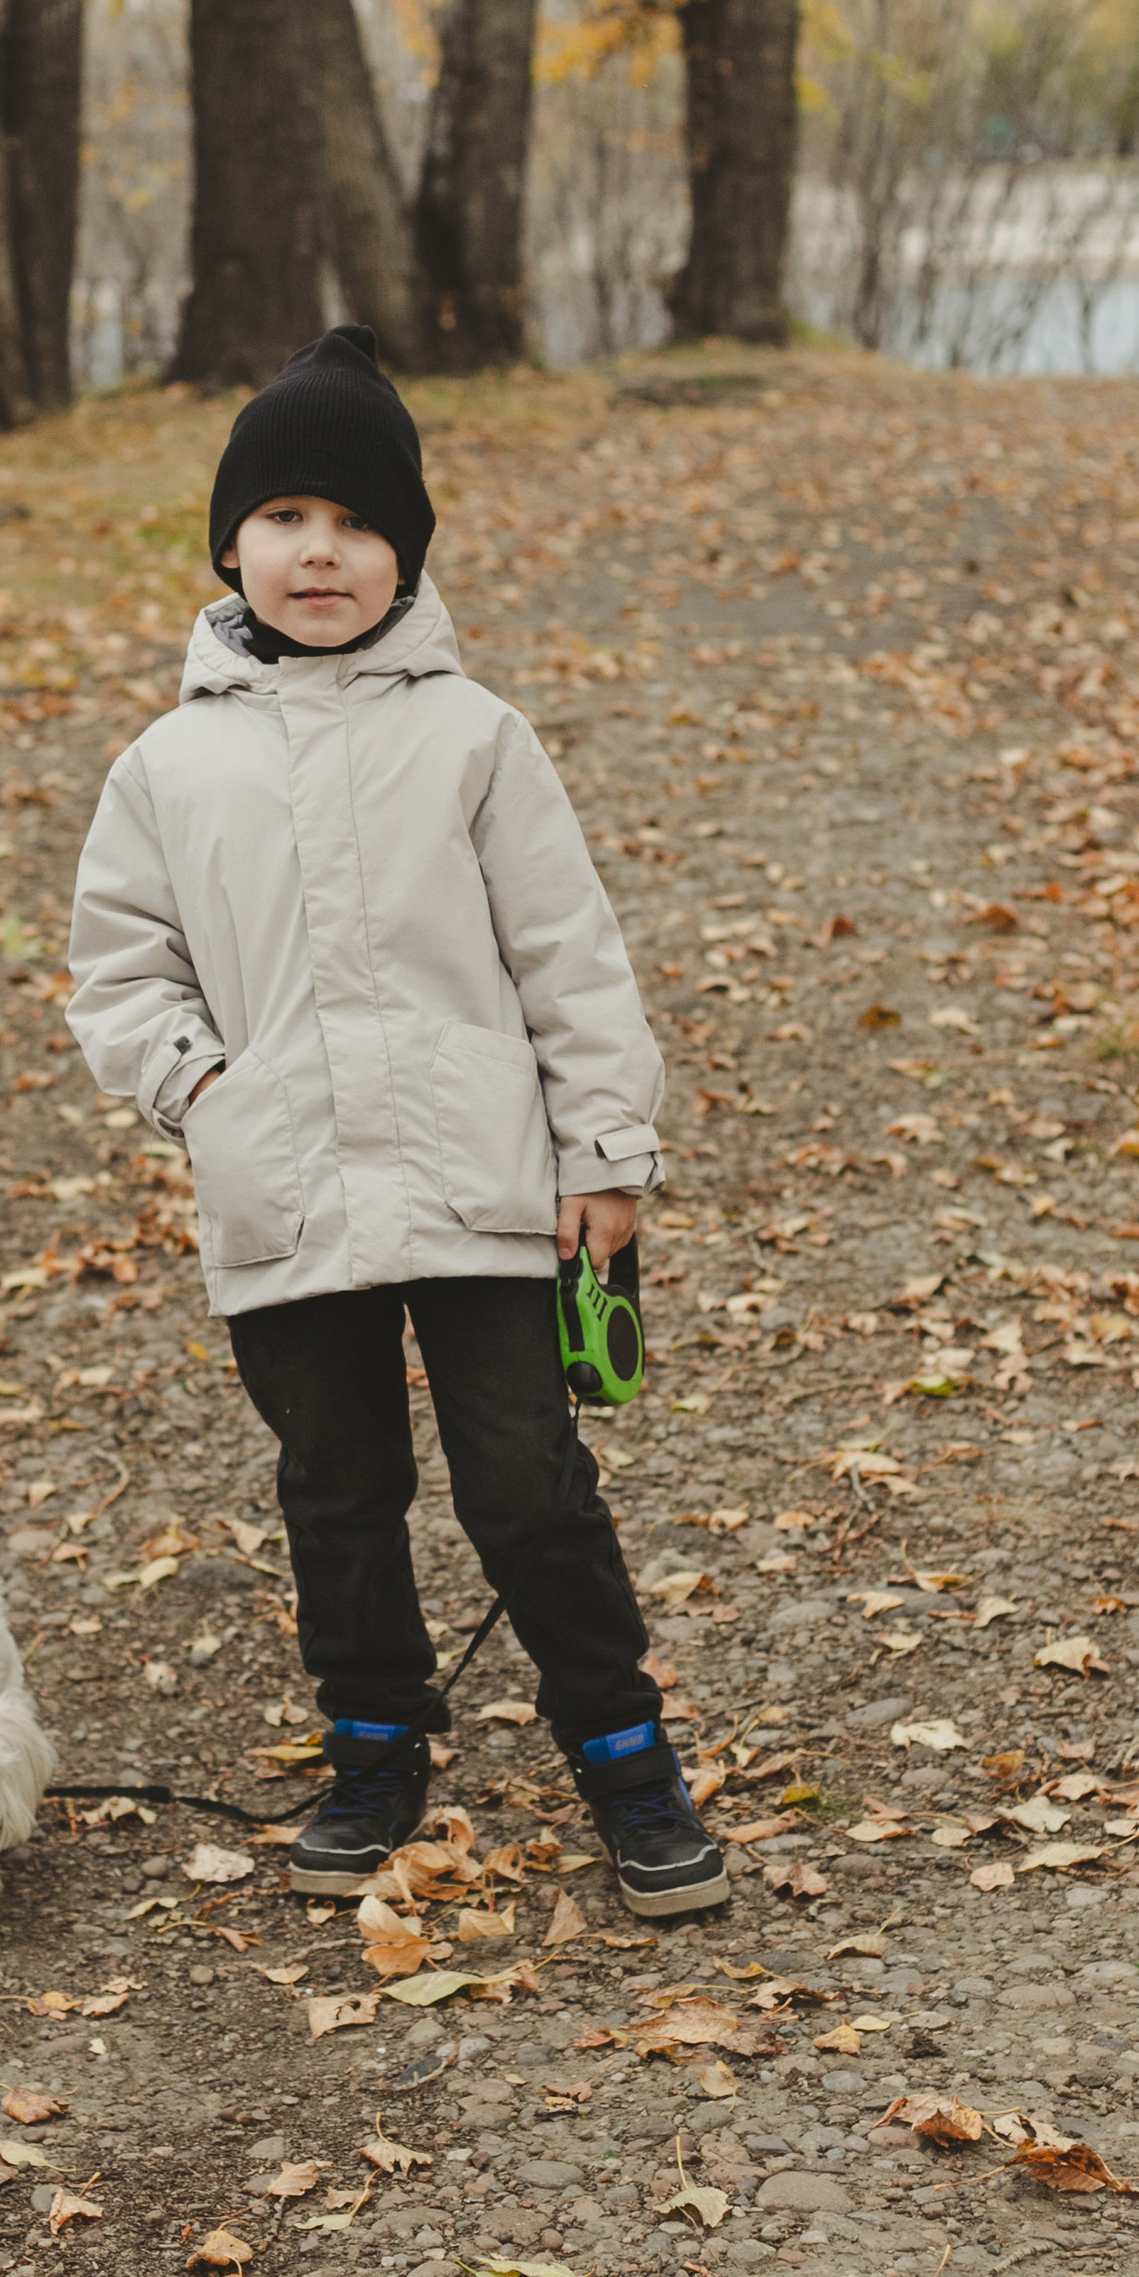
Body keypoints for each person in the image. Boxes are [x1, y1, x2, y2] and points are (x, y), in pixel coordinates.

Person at [63, 324, 724, 1922]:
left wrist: (608, 1160)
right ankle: (375, 1751)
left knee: (527, 1484)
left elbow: (571, 956)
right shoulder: (168, 765)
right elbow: (118, 971)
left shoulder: (474, 736)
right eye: (288, 517)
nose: (322, 553)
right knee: (336, 1488)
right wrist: (202, 1093)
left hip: (482, 1183)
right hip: (282, 1195)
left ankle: (627, 1761)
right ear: (232, 543)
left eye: (361, 526)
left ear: (406, 558)